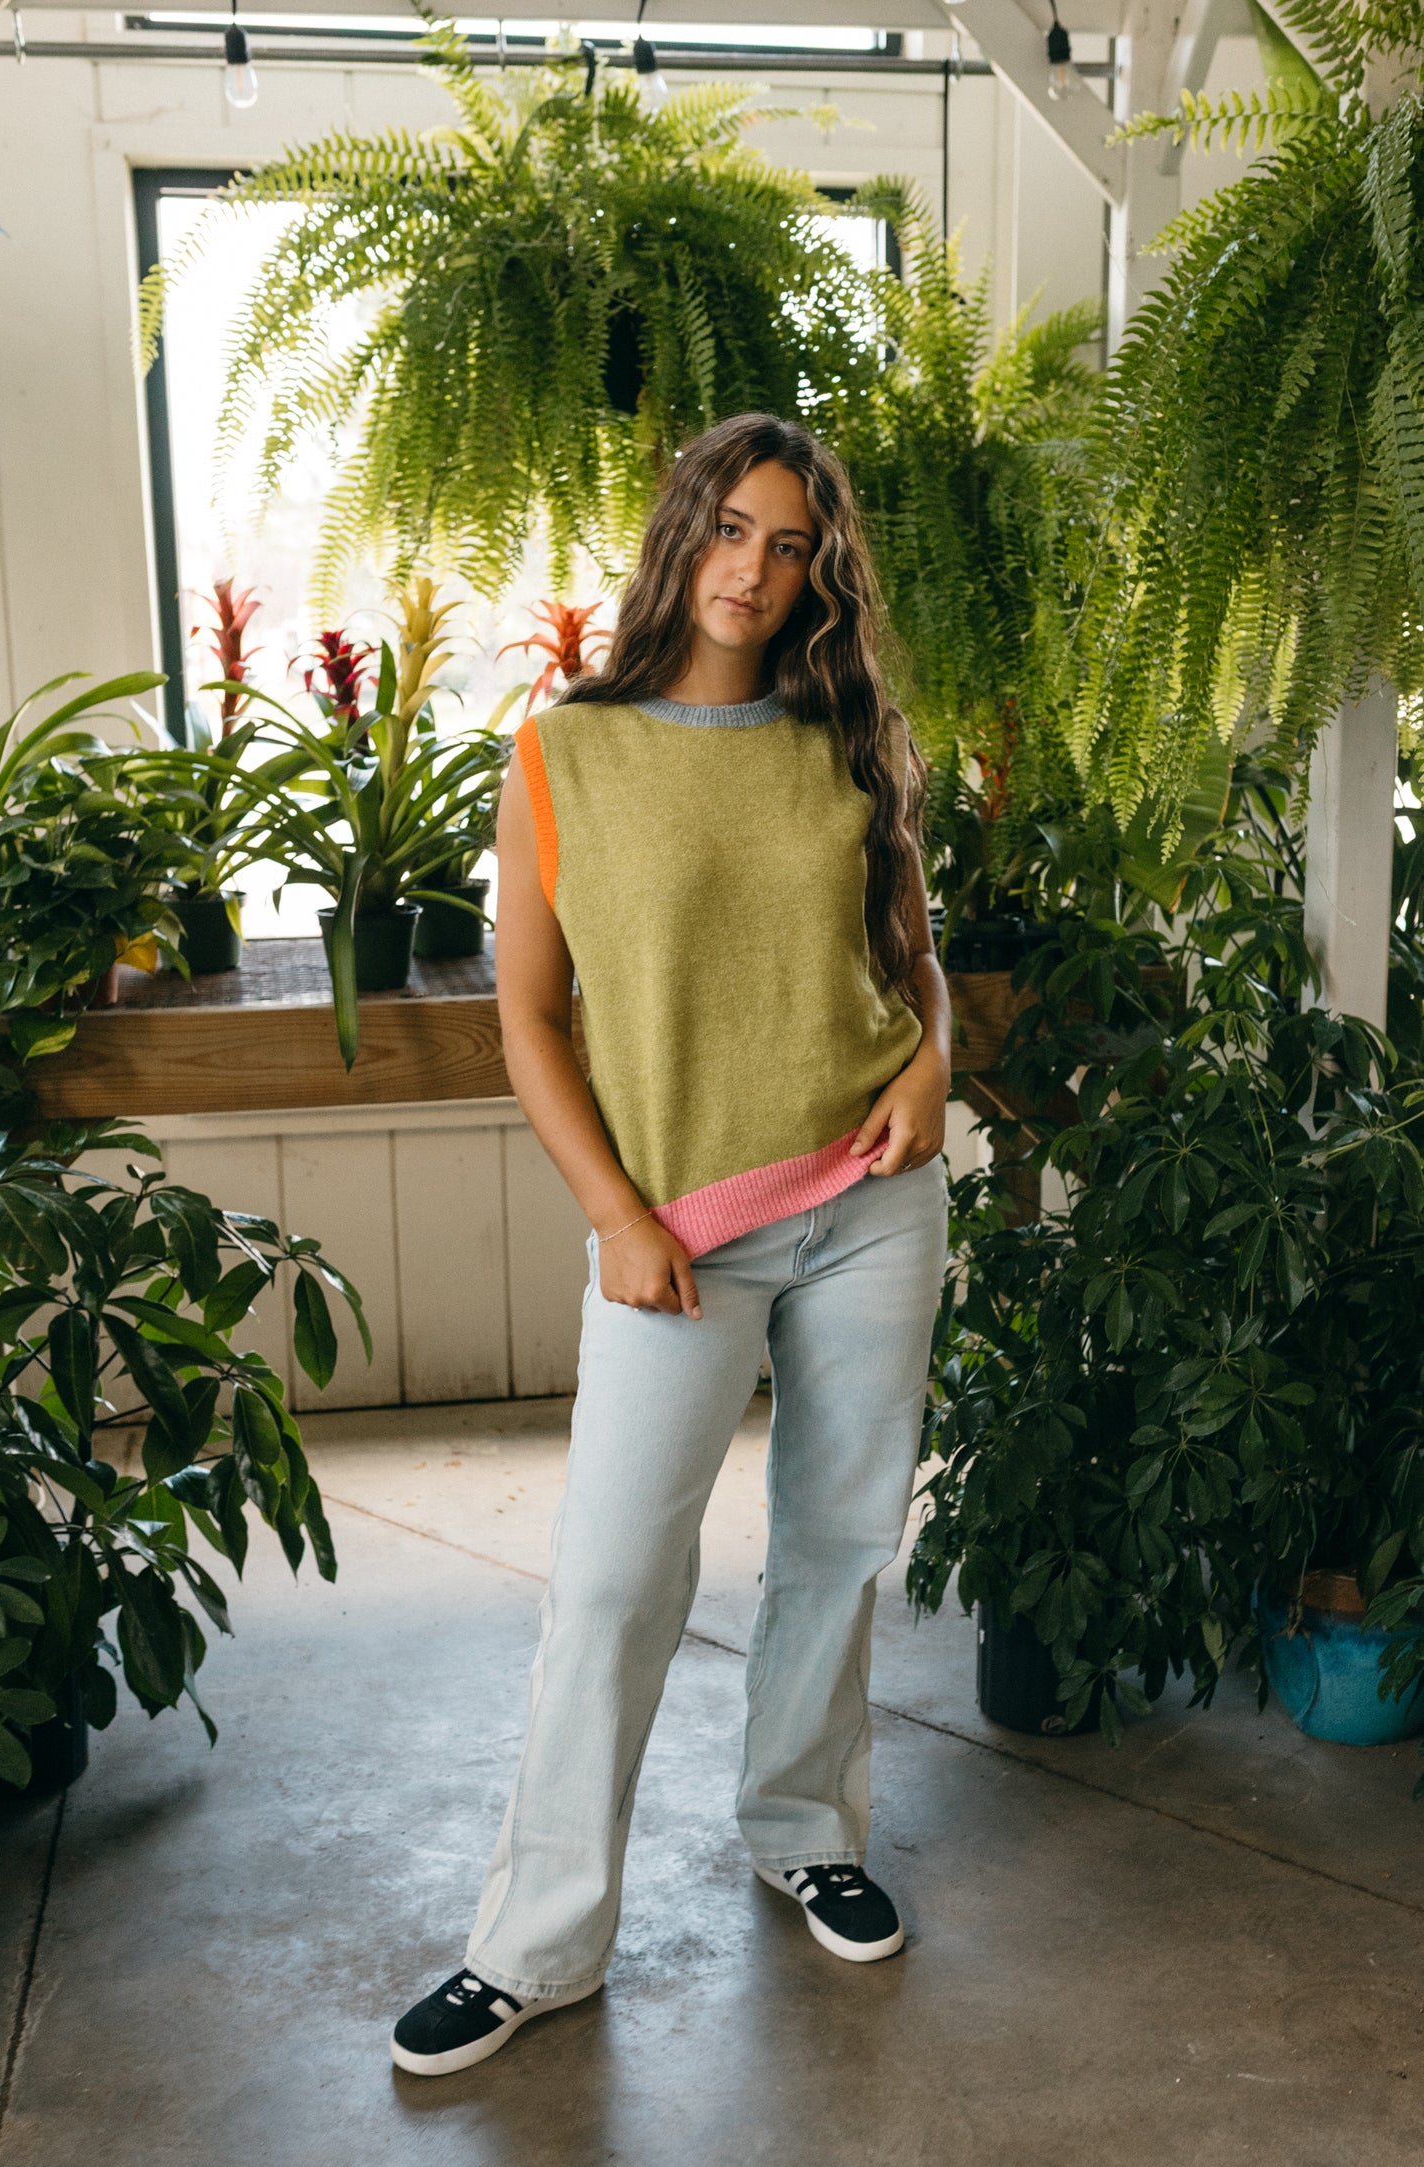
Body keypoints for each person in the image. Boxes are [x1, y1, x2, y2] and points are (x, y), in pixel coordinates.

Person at [391, 412, 952, 2078]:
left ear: (815, 574)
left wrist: (931, 1063)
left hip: (868, 1195)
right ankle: (536, 1940)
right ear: (679, 532)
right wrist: (615, 1218)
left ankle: (804, 1828)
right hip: (677, 1236)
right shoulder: (565, 750)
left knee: (840, 1541)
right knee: (617, 1579)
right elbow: (525, 1016)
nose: (753, 569)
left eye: (789, 545)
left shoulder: (847, 735)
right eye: (730, 527)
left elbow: (912, 954)